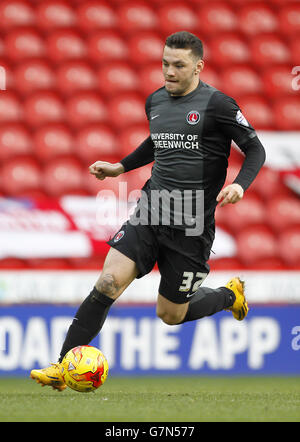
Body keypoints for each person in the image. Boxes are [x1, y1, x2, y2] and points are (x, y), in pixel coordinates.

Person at [30, 31, 265, 391]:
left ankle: (229, 295)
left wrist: (239, 185)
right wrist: (120, 167)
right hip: (149, 212)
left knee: (171, 314)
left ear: (198, 66)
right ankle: (62, 368)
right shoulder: (155, 101)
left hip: (191, 226)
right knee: (108, 282)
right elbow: (157, 142)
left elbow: (255, 150)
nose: (169, 72)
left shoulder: (218, 105)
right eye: (165, 64)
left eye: (178, 65)